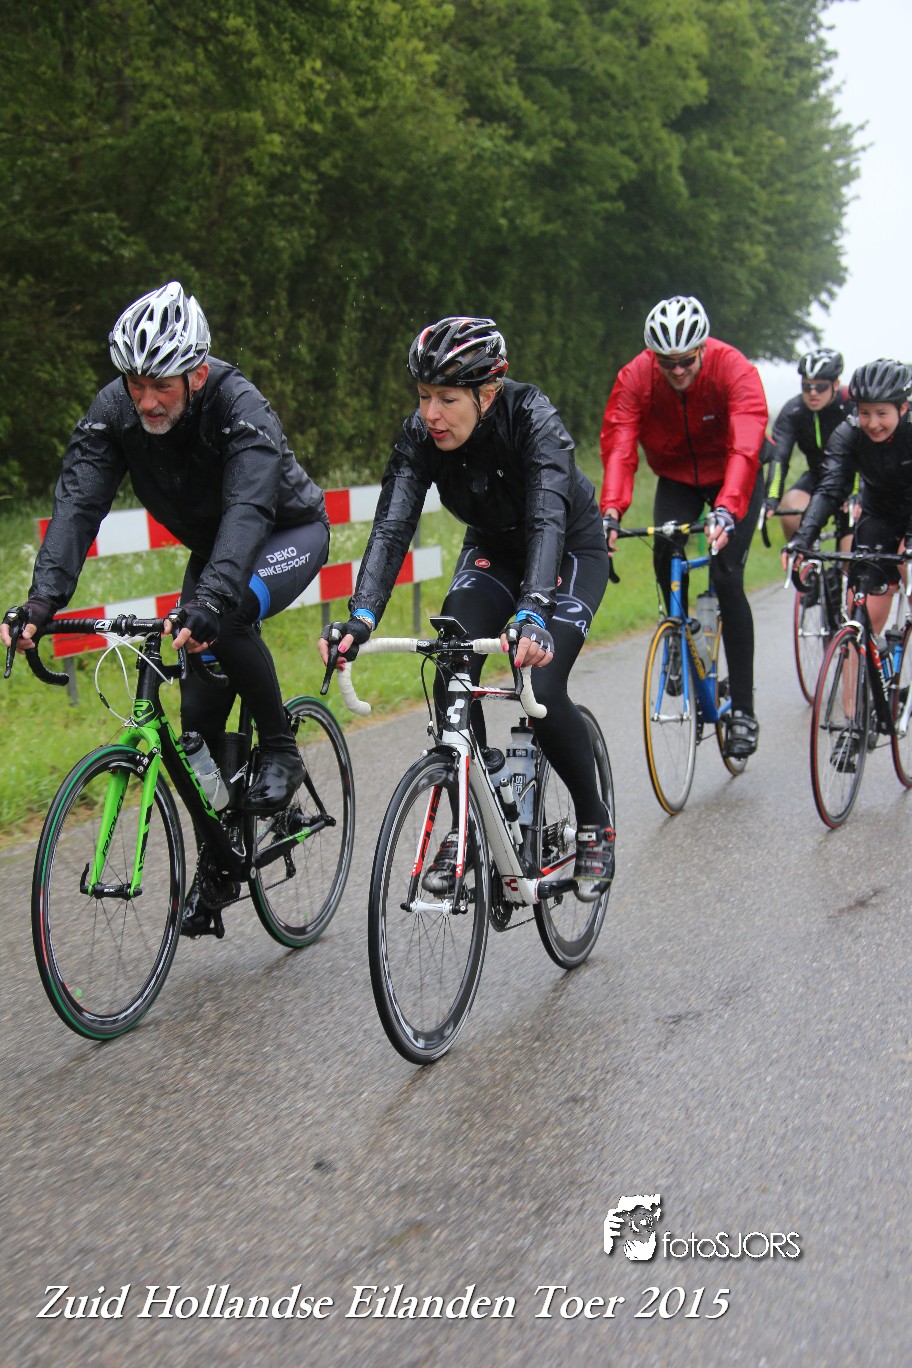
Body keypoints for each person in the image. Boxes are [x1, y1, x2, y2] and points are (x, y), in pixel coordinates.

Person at [2, 280, 330, 932]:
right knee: (196, 726)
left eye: (161, 386)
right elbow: (78, 504)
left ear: (197, 374)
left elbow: (248, 510)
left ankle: (281, 746)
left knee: (226, 617)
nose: (146, 400)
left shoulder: (240, 406)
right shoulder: (115, 411)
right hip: (217, 552)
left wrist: (212, 599)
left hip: (285, 534)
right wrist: (42, 601)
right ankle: (221, 861)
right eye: (135, 383)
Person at [317, 315, 614, 899]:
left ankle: (593, 820)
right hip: (493, 551)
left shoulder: (533, 419)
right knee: (451, 667)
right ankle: (471, 823)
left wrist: (534, 610)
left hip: (567, 549)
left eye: (447, 399)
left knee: (541, 683)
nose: (431, 413)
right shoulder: (420, 436)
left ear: (488, 393)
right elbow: (392, 526)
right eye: (423, 395)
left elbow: (547, 518)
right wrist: (362, 617)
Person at [599, 295, 767, 759]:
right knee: (664, 548)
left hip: (735, 472)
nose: (676, 370)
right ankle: (676, 631)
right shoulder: (636, 377)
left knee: (727, 578)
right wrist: (610, 512)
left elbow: (746, 445)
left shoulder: (734, 369)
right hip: (676, 476)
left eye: (686, 361)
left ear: (702, 349)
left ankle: (744, 711)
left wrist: (728, 509)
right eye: (666, 362)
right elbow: (619, 447)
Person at [787, 358, 912, 771]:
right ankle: (852, 727)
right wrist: (803, 538)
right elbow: (830, 488)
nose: (872, 423)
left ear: (903, 408)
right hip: (878, 517)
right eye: (864, 412)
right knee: (859, 621)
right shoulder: (849, 433)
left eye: (882, 414)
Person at [764, 348, 855, 543]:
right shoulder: (794, 410)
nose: (813, 393)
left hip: (854, 479)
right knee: (790, 511)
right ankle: (802, 559)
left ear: (836, 384)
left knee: (849, 550)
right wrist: (772, 496)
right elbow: (779, 458)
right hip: (818, 475)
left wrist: (857, 493)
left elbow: (868, 456)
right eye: (806, 386)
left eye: (821, 387)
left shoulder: (851, 406)